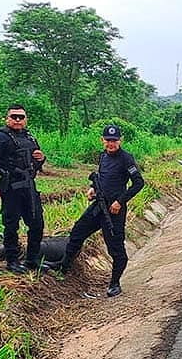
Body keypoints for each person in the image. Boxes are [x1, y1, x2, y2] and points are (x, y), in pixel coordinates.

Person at [60, 125, 144, 297]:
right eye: (108, 140)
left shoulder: (126, 158)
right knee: (77, 232)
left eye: (114, 141)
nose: (111, 143)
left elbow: (138, 183)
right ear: (102, 140)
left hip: (114, 211)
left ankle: (114, 283)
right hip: (98, 205)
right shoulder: (103, 156)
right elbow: (101, 177)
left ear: (120, 141)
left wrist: (120, 201)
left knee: (116, 248)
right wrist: (93, 189)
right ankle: (63, 268)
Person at [0, 104, 46, 274]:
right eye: (14, 117)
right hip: (11, 187)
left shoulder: (30, 137)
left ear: (25, 119)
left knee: (37, 223)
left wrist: (41, 159)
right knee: (11, 225)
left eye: (21, 117)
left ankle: (32, 260)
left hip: (29, 187)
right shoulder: (1, 137)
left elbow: (35, 162)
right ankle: (12, 261)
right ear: (7, 118)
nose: (18, 120)